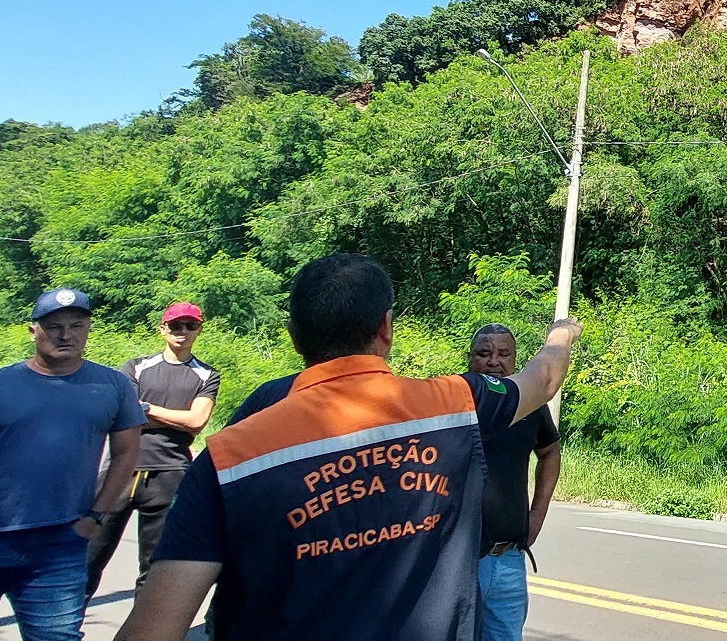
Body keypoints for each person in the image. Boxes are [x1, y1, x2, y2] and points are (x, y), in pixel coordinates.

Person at [116, 254, 579, 641]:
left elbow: (155, 627)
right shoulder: (454, 405)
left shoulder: (226, 459)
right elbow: (543, 379)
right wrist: (561, 335)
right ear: (386, 327)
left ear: (295, 335)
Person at [0, 289, 145, 641]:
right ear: (33, 330)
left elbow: (127, 453)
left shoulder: (113, 385)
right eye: (54, 327)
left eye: (76, 325)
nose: (66, 335)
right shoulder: (5, 383)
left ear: (88, 328)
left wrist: (96, 516)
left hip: (61, 542)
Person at [85, 301, 221, 598]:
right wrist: (173, 418)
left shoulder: (207, 375)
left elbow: (197, 420)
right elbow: (125, 415)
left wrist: (147, 408)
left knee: (154, 567)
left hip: (170, 473)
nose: (182, 332)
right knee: (88, 557)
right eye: (175, 325)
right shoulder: (136, 367)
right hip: (122, 468)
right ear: (163, 329)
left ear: (199, 330)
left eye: (190, 325)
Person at [468, 324, 562, 641]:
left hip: (509, 560)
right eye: (484, 353)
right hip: (461, 560)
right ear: (470, 358)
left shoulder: (530, 406)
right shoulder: (457, 403)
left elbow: (549, 451)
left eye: (503, 354)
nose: (494, 361)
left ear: (515, 359)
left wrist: (536, 516)